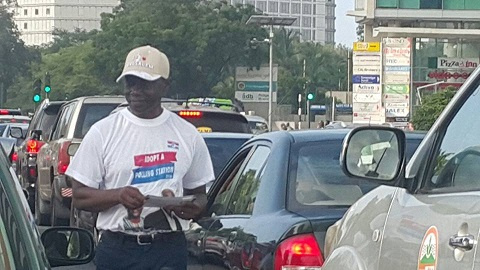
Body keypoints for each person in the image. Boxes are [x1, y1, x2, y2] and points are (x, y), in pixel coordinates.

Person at [66, 45, 214, 270]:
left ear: (165, 85)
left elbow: (199, 197)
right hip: (119, 249)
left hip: (169, 249)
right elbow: (79, 196)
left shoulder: (187, 134)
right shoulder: (103, 132)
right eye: (130, 82)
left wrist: (187, 207)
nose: (135, 90)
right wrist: (118, 195)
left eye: (145, 83)